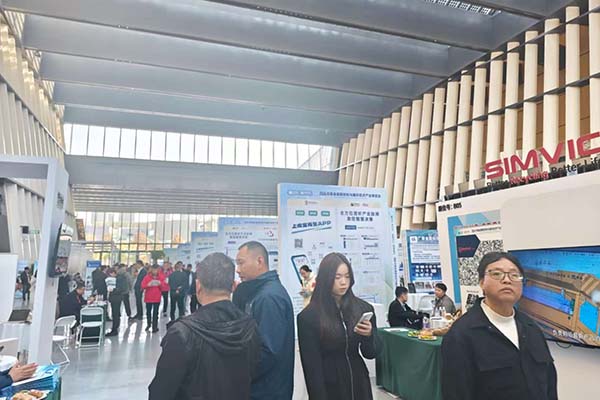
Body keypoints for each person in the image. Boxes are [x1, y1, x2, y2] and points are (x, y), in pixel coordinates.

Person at [442, 252, 558, 400]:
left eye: (514, 275)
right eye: (497, 274)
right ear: (482, 282)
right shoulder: (461, 334)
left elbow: (549, 384)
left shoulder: (531, 328)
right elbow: (456, 393)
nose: (507, 280)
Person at [149, 253, 261, 400]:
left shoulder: (182, 333)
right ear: (234, 286)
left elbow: (161, 392)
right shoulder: (250, 326)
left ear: (198, 286)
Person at [298, 252, 380, 399]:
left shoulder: (363, 309)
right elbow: (312, 369)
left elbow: (370, 353)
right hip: (331, 385)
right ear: (326, 278)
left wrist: (369, 335)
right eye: (337, 277)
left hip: (359, 382)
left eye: (347, 276)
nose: (343, 282)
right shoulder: (309, 317)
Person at [233, 241, 294, 400]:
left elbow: (268, 352)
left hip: (266, 390)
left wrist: (236, 373)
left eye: (241, 263)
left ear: (259, 261)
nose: (238, 270)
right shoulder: (259, 292)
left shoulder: (268, 297)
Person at [142, 265, 167, 333]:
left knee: (155, 313)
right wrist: (148, 285)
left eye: (156, 270)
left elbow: (163, 287)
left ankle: (155, 327)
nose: (155, 271)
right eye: (153, 270)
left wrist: (160, 283)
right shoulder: (147, 277)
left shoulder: (161, 277)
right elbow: (142, 285)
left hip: (157, 297)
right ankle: (148, 324)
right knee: (148, 312)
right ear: (151, 270)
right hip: (148, 297)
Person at [106, 267, 128, 337]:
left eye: (110, 274)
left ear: (113, 273)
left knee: (115, 314)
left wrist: (113, 290)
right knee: (116, 313)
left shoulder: (119, 279)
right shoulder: (120, 278)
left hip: (116, 298)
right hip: (116, 298)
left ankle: (114, 330)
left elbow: (121, 289)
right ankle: (115, 327)